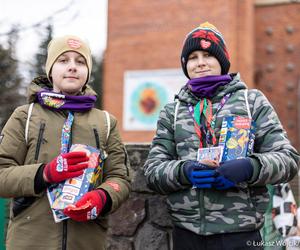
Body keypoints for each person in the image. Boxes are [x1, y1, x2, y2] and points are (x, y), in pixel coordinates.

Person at [143, 22, 300, 250]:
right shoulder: (172, 111)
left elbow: (289, 160)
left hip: (241, 234)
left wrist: (250, 167)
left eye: (208, 55)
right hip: (187, 234)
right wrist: (185, 171)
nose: (201, 63)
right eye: (193, 57)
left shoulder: (251, 102)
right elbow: (152, 171)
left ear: (223, 61)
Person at [0, 35, 131, 250]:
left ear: (88, 72)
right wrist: (44, 173)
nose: (72, 67)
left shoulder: (106, 122)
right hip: (30, 241)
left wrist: (102, 197)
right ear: (50, 70)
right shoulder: (25, 116)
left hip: (87, 241)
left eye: (80, 62)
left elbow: (121, 179)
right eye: (63, 60)